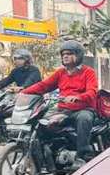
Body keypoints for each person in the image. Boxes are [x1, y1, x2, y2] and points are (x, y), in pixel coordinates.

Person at [24, 39, 98, 167]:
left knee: (84, 118)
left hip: (83, 109)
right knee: (42, 122)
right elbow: (44, 85)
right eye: (63, 54)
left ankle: (83, 155)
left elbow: (92, 92)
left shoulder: (88, 72)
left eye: (69, 53)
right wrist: (24, 92)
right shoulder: (60, 72)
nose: (65, 56)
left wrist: (78, 97)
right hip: (64, 111)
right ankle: (47, 154)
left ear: (78, 55)